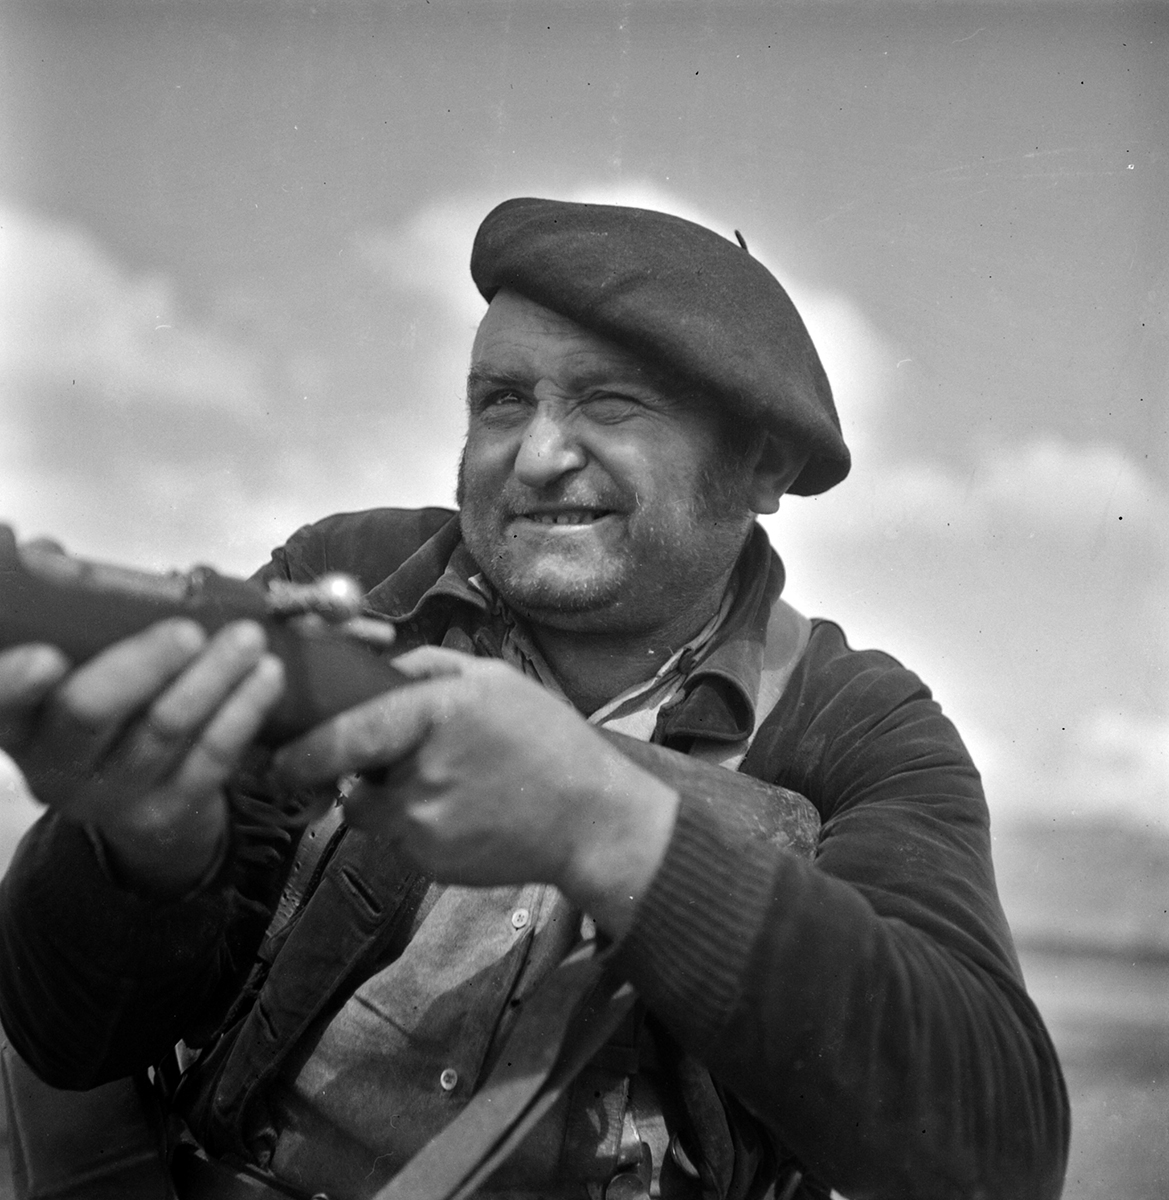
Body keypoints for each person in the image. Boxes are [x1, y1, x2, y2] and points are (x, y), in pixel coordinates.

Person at [0, 198, 1068, 1200]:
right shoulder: (355, 575)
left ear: (759, 467)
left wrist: (604, 829)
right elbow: (66, 1034)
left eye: (609, 402)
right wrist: (142, 851)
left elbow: (998, 1139)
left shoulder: (857, 721)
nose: (538, 455)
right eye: (502, 399)